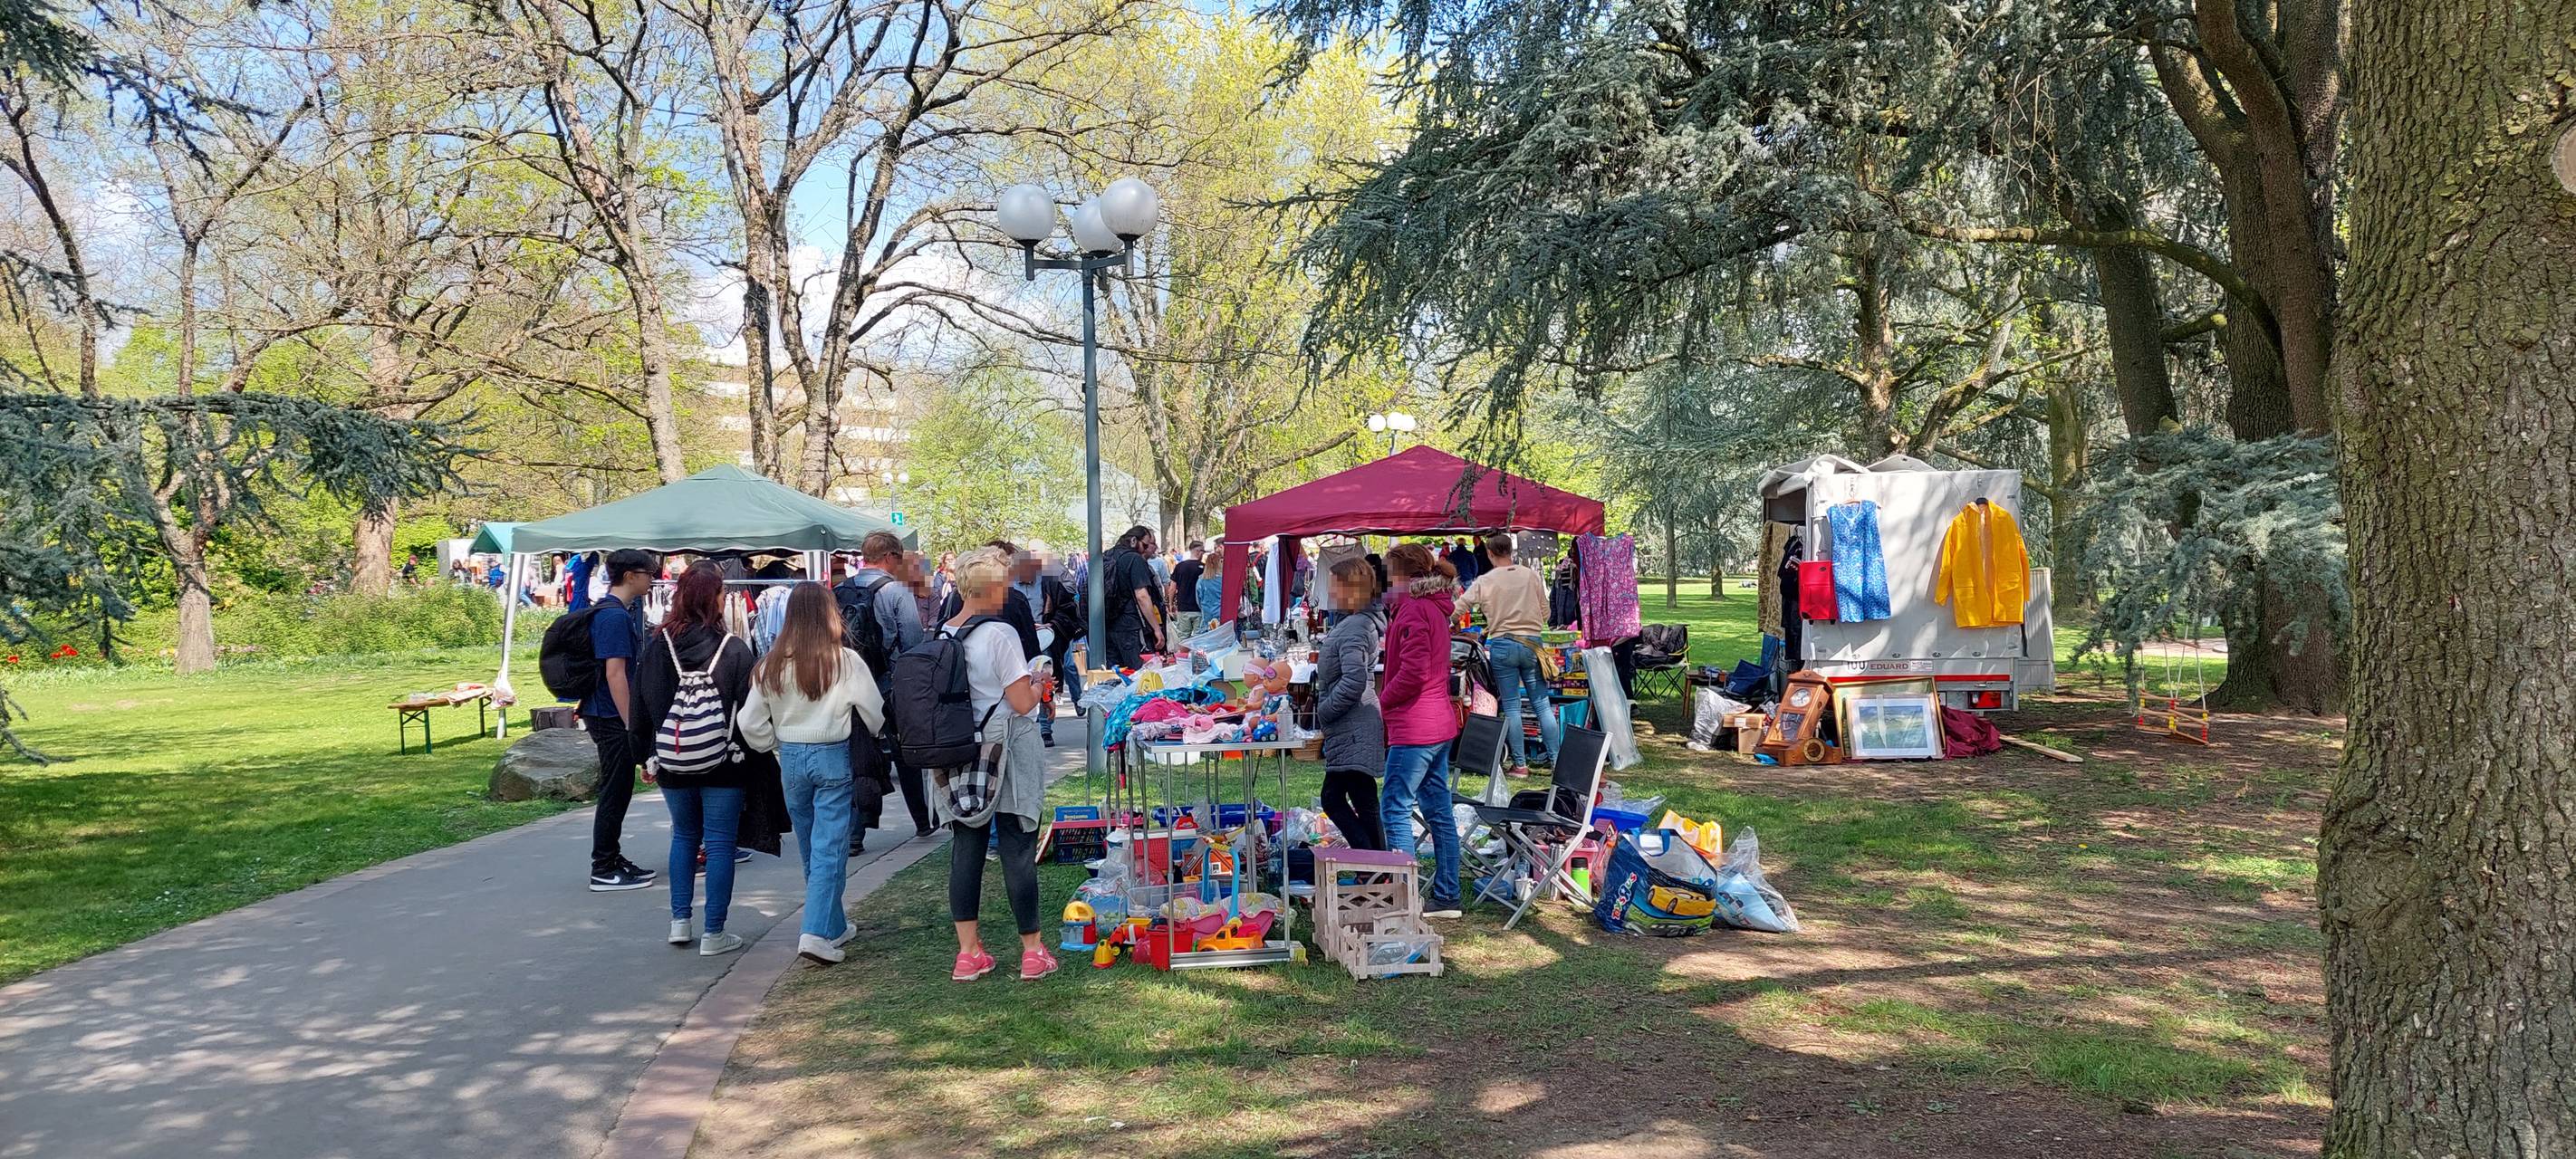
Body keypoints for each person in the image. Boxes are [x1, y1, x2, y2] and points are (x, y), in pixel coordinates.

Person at [737, 581, 884, 966]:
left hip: (791, 757)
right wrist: (869, 733)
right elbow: (875, 713)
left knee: (812, 848)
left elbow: (749, 722)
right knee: (829, 849)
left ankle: (832, 925)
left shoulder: (769, 664)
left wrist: (774, 745)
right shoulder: (845, 661)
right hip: (832, 753)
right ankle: (815, 932)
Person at [937, 548, 1058, 982]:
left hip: (958, 747)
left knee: (966, 848)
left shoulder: (945, 632)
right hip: (1005, 744)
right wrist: (1040, 683)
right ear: (992, 589)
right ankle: (1032, 950)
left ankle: (968, 952)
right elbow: (1022, 702)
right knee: (1017, 845)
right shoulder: (1000, 634)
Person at [630, 563, 758, 955]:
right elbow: (751, 710)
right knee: (719, 844)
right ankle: (714, 932)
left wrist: (645, 755)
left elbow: (641, 704)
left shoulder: (658, 646)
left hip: (673, 758)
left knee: (684, 836)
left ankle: (679, 921)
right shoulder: (734, 649)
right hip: (725, 761)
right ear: (716, 599)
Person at [1376, 542, 1462, 918]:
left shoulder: (1413, 609)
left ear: (1403, 575)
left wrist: (1383, 700)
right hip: (1436, 721)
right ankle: (1447, 894)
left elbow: (1414, 672)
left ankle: (1405, 900)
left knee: (1395, 808)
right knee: (1439, 811)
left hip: (1416, 725)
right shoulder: (1431, 606)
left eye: (1388, 573)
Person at [838, 532, 932, 840]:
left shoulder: (840, 590)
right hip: (888, 681)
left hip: (848, 681)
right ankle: (923, 819)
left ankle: (855, 833)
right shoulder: (895, 591)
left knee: (859, 753)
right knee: (906, 751)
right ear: (890, 557)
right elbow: (913, 642)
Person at [582, 550, 659, 892]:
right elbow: (615, 674)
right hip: (610, 714)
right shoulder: (614, 617)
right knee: (615, 790)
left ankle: (611, 857)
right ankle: (603, 866)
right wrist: (632, 724)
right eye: (648, 573)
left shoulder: (612, 612)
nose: (652, 579)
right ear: (630, 576)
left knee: (621, 789)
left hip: (606, 711)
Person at [1464, 532, 1562, 774]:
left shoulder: (1487, 580)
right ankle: (1556, 761)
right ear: (1511, 551)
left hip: (1502, 644)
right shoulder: (1530, 575)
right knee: (1542, 704)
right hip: (1531, 644)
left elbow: (1462, 606)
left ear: (1489, 553)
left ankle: (1520, 764)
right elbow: (1546, 612)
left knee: (1511, 706)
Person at [1314, 558, 1387, 850]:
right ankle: (1374, 861)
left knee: (1339, 797)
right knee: (1360, 797)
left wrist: (1325, 711)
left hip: (1353, 725)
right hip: (1351, 725)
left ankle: (1371, 859)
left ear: (1351, 588)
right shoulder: (1353, 622)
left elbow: (1354, 680)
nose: (1331, 591)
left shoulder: (1356, 626)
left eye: (1335, 585)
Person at [1100, 526, 1164, 668]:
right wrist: (1156, 628)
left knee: (1114, 674)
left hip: (1107, 625)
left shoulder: (1107, 556)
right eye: (1145, 545)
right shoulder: (1134, 559)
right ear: (1134, 541)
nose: (1146, 549)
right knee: (1140, 674)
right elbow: (1142, 596)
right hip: (1131, 627)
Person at [1168, 541, 1206, 644]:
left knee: (1183, 638)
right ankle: (1198, 654)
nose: (1203, 554)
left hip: (1183, 607)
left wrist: (1171, 603)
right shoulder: (1204, 568)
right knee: (1199, 638)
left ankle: (1183, 654)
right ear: (1198, 551)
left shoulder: (1179, 566)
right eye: (1203, 551)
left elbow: (1172, 588)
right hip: (1199, 608)